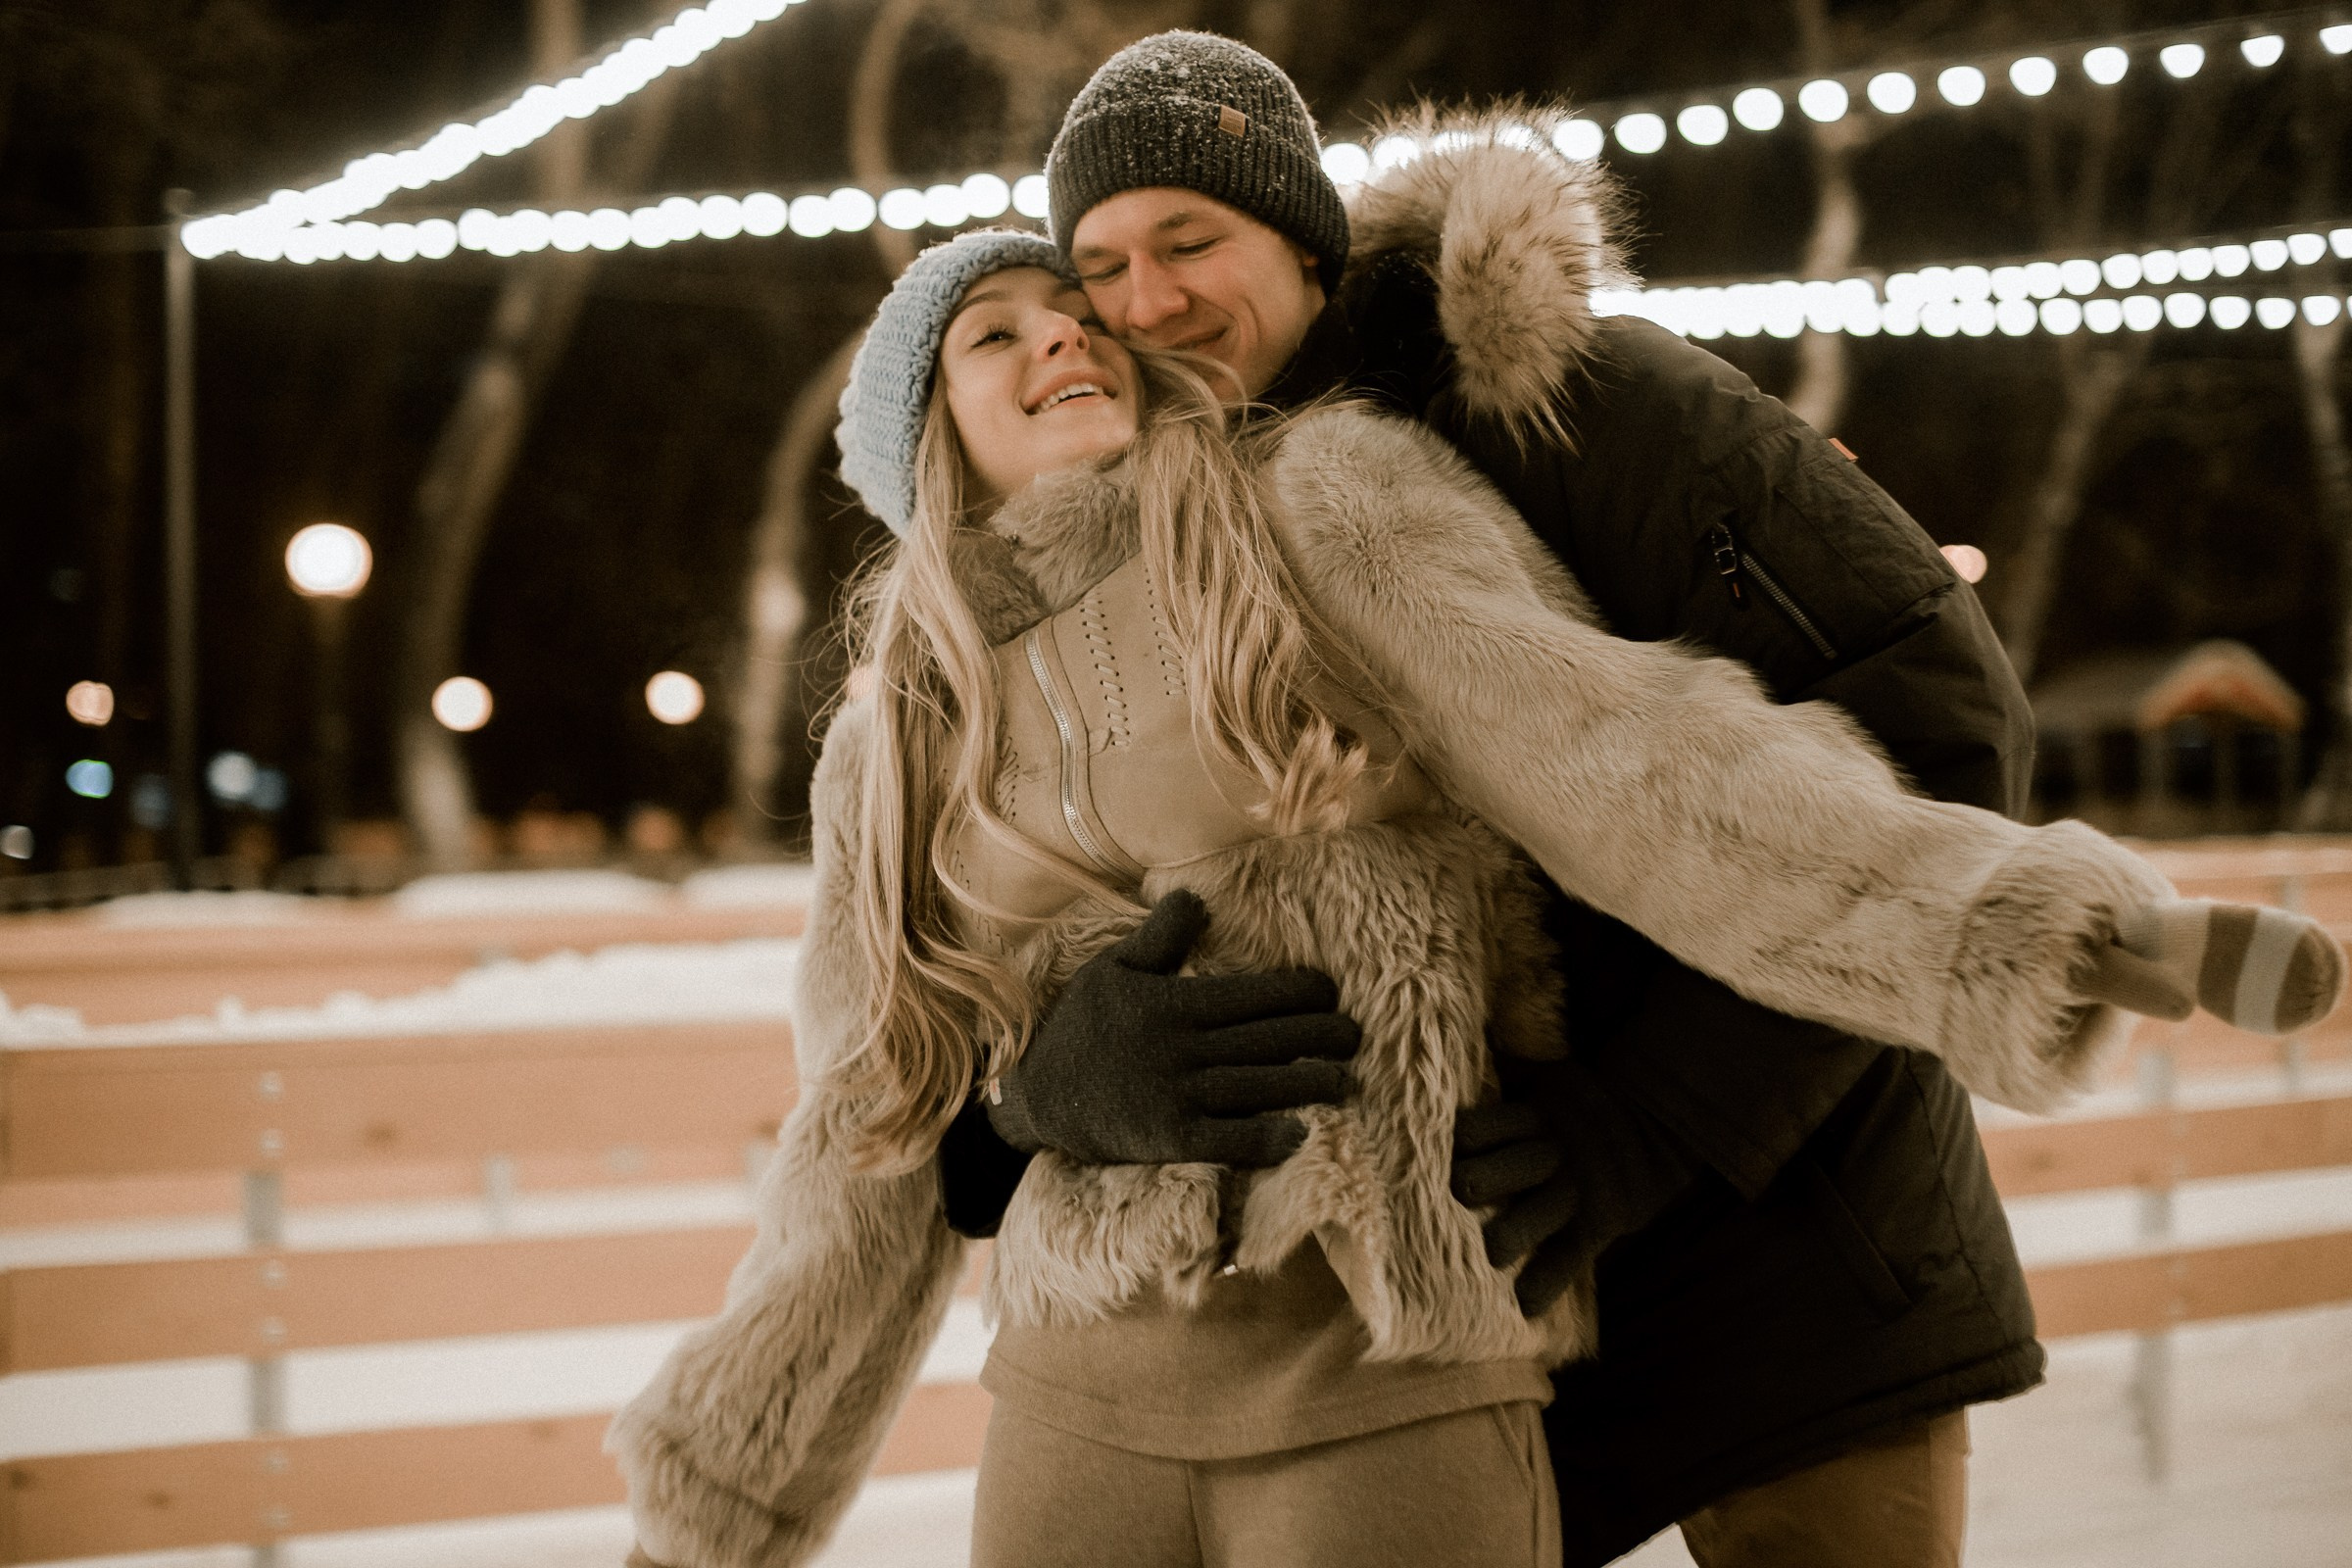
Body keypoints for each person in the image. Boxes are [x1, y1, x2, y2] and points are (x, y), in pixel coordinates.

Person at [608, 227, 2339, 1568]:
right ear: (929, 440)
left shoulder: (1316, 505)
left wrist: (2032, 925)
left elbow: (1645, 768)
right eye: (998, 335)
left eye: (1079, 308)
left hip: (1387, 1342)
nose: (1070, 329)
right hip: (1080, 1383)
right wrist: (730, 1491)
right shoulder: (894, 731)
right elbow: (870, 1119)